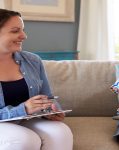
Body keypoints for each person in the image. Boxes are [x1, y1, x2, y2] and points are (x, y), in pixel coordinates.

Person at [0, 8, 73, 150]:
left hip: (25, 119)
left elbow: (48, 97)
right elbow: (25, 109)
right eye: (15, 31)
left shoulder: (32, 61)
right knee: (25, 140)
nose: (24, 36)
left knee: (61, 132)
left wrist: (52, 110)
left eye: (23, 30)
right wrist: (23, 109)